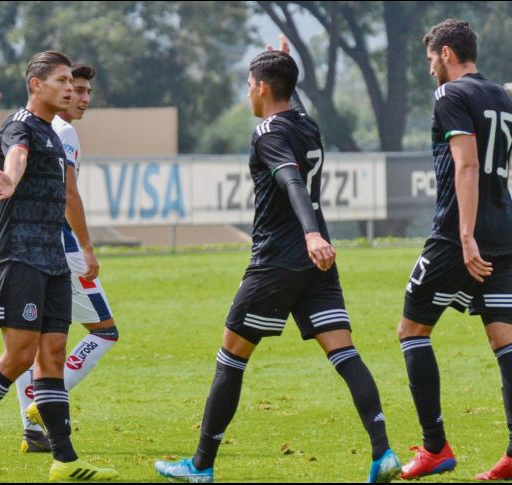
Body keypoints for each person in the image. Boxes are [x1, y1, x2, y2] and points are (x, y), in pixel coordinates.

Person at [153, 36, 401, 483]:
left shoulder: (268, 133)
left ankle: (200, 466)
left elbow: (290, 182)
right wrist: (285, 62)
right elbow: (294, 106)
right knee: (344, 351)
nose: (247, 91)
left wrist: (307, 232)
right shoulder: (307, 124)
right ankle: (383, 453)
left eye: (250, 83)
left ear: (264, 88)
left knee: (231, 356)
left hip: (278, 259)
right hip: (317, 260)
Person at [0, 51, 118, 483]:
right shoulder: (20, 126)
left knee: (52, 355)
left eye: (72, 82)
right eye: (61, 81)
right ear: (36, 85)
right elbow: (15, 155)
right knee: (18, 357)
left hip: (53, 258)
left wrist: (86, 248)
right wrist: (11, 179)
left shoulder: (56, 134)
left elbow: (69, 193)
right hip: (19, 256)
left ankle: (65, 461)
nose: (70, 89)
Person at [397, 19, 512, 481]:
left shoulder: (451, 95)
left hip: (455, 235)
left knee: (411, 331)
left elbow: (466, 166)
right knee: (504, 340)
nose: (430, 71)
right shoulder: (502, 96)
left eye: (431, 60)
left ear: (446, 53)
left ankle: (435, 447)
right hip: (504, 232)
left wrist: (465, 236)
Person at [13, 63, 120, 454]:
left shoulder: (31, 127)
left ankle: (33, 430)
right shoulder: (64, 131)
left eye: (88, 91)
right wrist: (87, 247)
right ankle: (45, 403)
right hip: (63, 248)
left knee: (37, 343)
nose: (84, 98)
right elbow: (69, 194)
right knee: (104, 331)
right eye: (75, 89)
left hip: (29, 247)